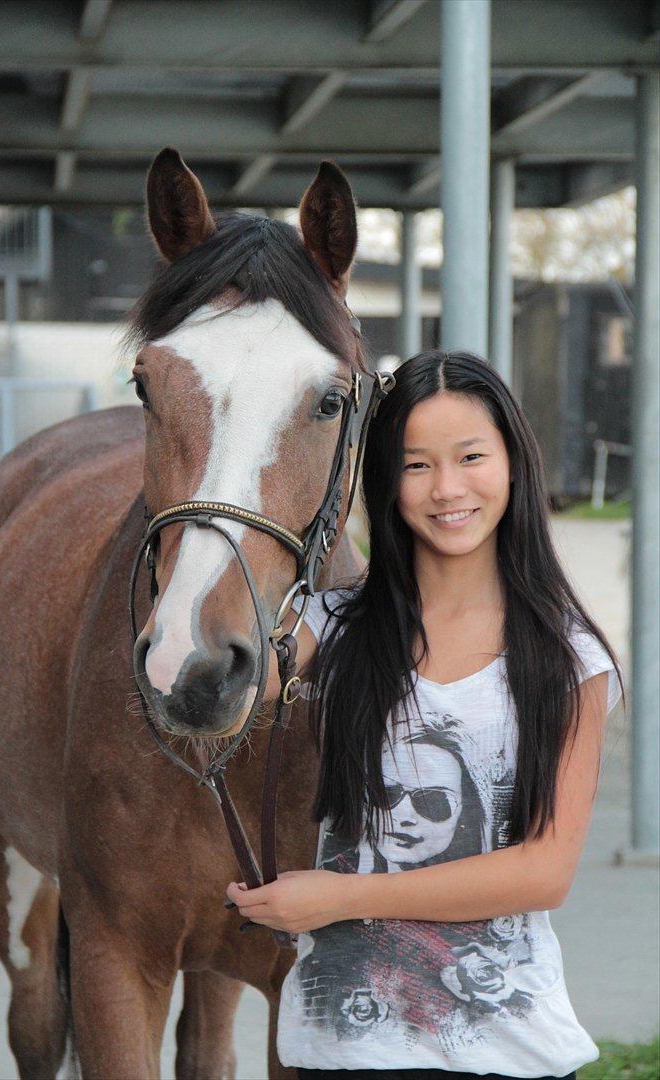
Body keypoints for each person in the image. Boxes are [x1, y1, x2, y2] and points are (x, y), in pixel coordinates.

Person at [225, 351, 625, 1080]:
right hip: (341, 1053)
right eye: (415, 466)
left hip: (510, 1056)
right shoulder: (328, 625)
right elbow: (214, 702)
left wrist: (340, 898)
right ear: (383, 480)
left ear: (512, 464)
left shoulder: (564, 656)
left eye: (470, 457)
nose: (446, 489)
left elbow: (544, 872)